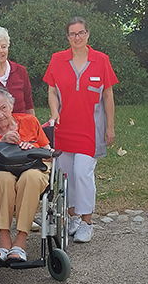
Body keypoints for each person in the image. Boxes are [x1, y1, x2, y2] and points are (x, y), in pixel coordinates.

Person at [43, 16, 116, 244]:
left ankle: (86, 222)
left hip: (90, 130)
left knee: (82, 173)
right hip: (63, 129)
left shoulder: (101, 60)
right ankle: (73, 217)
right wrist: (54, 112)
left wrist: (110, 127)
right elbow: (52, 91)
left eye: (81, 33)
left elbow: (108, 95)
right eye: (73, 34)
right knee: (67, 175)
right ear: (68, 37)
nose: (77, 37)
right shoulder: (57, 59)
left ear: (88, 34)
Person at [0, 86, 51, 262]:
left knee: (30, 177)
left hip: (33, 169)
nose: (0, 114)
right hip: (0, 171)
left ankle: (20, 242)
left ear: (11, 106)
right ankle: (3, 243)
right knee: (2, 179)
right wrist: (0, 144)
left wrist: (33, 149)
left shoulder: (30, 121)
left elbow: (49, 154)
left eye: (3, 108)